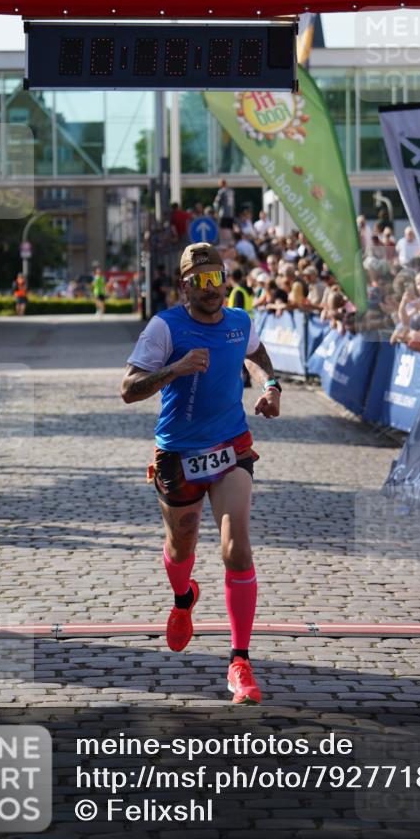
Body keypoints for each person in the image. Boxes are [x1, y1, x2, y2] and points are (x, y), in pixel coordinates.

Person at [121, 242, 281, 704]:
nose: (213, 290)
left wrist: (271, 386)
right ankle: (183, 598)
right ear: (185, 285)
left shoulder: (239, 322)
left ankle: (240, 662)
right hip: (179, 453)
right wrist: (175, 369)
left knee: (237, 547)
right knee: (181, 546)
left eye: (219, 280)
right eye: (202, 282)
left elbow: (261, 354)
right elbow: (129, 389)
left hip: (232, 446)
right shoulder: (165, 328)